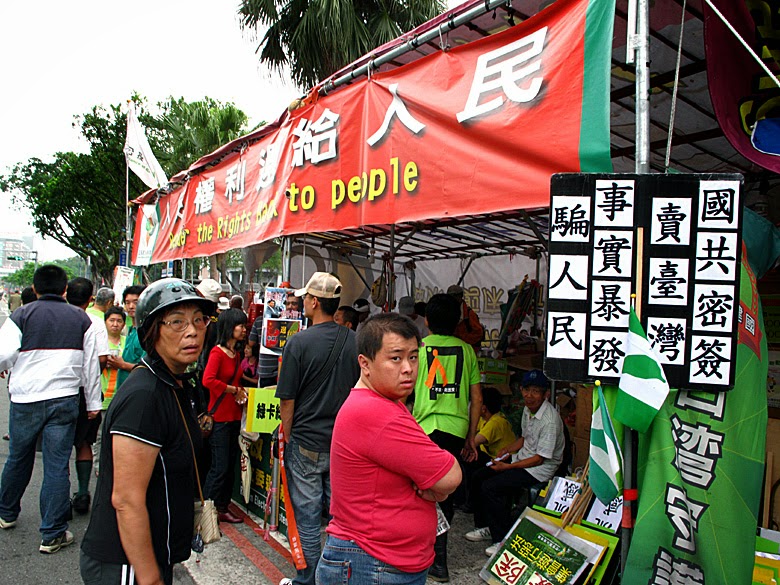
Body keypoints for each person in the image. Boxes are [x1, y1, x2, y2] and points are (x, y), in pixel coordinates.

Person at [80, 278, 214, 585]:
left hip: (153, 553)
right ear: (152, 331)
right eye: (177, 322)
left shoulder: (173, 382)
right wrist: (149, 577)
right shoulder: (145, 396)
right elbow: (126, 499)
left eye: (199, 320)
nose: (192, 331)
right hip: (126, 562)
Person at [319, 314, 462, 585]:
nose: (408, 368)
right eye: (396, 358)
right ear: (365, 363)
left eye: (413, 357)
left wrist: (434, 486)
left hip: (379, 561)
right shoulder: (375, 412)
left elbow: (441, 477)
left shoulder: (387, 403)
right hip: (371, 564)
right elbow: (451, 476)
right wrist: (436, 487)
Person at [0, 265, 101, 553]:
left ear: (35, 288)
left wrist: (5, 367)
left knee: (18, 457)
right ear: (65, 289)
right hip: (64, 398)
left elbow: (4, 353)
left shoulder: (21, 315)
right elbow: (90, 366)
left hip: (25, 398)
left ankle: (6, 513)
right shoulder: (82, 319)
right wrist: (93, 403)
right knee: (57, 464)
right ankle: (53, 533)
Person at [276, 272, 360, 585]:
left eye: (305, 298)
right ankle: (339, 575)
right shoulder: (354, 340)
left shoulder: (298, 342)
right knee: (342, 517)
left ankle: (309, 578)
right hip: (343, 444)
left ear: (313, 302)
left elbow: (287, 399)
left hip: (306, 442)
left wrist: (287, 435)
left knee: (308, 518)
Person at [411, 293, 482, 582]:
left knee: (422, 491)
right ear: (457, 323)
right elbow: (476, 399)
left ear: (426, 321)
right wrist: (471, 436)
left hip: (424, 429)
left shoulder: (418, 349)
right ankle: (437, 557)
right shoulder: (467, 351)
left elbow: (404, 389)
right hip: (455, 431)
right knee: (445, 493)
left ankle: (432, 557)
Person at [466, 370, 564, 557]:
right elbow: (525, 438)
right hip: (522, 458)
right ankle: (485, 526)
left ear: (546, 394)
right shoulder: (528, 410)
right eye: (526, 390)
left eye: (535, 391)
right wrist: (507, 450)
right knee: (479, 476)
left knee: (492, 486)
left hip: (539, 469)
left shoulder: (550, 420)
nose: (529, 395)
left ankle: (501, 538)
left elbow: (540, 459)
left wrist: (508, 466)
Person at [67, 277, 111, 515]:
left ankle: (59, 497)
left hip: (60, 390)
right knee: (84, 442)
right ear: (90, 299)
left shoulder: (58, 317)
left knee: (59, 447)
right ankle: (83, 493)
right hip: (86, 390)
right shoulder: (95, 322)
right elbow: (102, 358)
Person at [202, 308, 248, 524]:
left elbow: (236, 382)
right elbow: (208, 380)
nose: (244, 330)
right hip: (219, 417)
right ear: (229, 327)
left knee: (230, 466)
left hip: (234, 416)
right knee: (219, 467)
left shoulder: (236, 354)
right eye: (240, 325)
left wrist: (241, 392)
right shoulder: (217, 353)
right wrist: (233, 390)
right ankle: (206, 511)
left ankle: (222, 506)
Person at [461, 386, 515, 514]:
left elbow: (473, 442)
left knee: (475, 472)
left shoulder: (496, 422)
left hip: (506, 461)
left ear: (483, 408)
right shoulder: (485, 419)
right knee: (468, 458)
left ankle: (471, 504)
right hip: (492, 457)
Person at [93, 306, 127, 477]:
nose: (115, 324)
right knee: (100, 435)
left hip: (122, 395)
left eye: (119, 321)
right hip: (104, 394)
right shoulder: (100, 342)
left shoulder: (127, 342)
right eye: (111, 320)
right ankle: (99, 466)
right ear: (105, 322)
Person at [109, 285, 146, 390]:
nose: (131, 306)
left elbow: (147, 368)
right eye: (127, 302)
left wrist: (122, 365)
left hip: (138, 389)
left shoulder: (146, 333)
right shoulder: (131, 331)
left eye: (135, 302)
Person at [446, 285, 484, 351]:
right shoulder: (445, 312)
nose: (453, 299)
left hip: (468, 350)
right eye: (450, 296)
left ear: (460, 296)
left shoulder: (469, 314)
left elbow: (478, 334)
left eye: (455, 296)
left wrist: (461, 339)